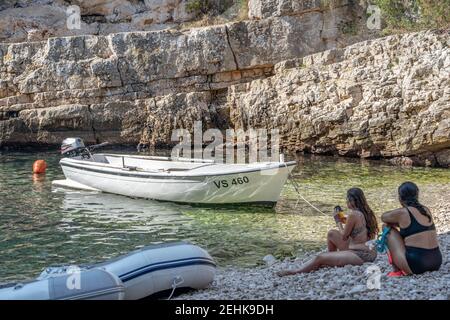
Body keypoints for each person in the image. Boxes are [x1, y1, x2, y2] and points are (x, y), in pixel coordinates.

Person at [278, 187, 378, 276]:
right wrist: (342, 218)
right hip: (368, 251)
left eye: (347, 199)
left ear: (351, 201)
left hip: (360, 255)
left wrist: (337, 221)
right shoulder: (366, 212)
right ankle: (331, 259)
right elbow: (357, 227)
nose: (346, 201)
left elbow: (344, 236)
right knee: (331, 233)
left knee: (319, 257)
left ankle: (296, 272)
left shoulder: (354, 215)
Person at [381, 181, 442, 275]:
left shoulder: (403, 212)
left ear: (400, 197)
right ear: (417, 195)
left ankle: (396, 270)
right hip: (436, 262)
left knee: (386, 227)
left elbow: (383, 217)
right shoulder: (426, 210)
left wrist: (396, 222)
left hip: (417, 265)